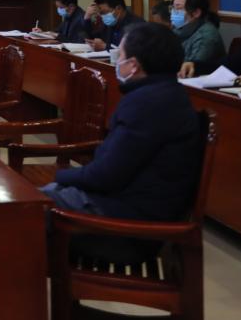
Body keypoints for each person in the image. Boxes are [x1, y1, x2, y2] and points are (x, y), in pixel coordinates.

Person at [40, 23, 201, 250]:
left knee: (23, 208)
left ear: (133, 65)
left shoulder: (146, 104)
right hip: (133, 203)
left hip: (129, 222)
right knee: (36, 198)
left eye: (121, 56)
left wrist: (60, 176)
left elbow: (105, 176)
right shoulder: (169, 93)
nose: (118, 61)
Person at [173, 0, 225, 78]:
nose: (173, 13)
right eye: (173, 8)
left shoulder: (206, 36)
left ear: (196, 13)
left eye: (178, 8)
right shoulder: (177, 29)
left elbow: (189, 69)